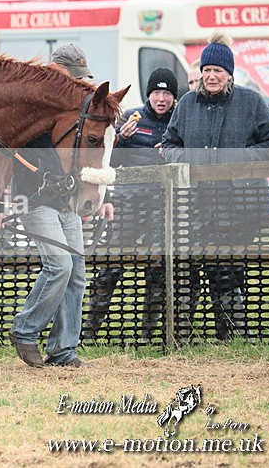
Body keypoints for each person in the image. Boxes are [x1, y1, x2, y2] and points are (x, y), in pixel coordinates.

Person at [162, 30, 269, 340]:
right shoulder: (187, 104)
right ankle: (191, 336)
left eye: (217, 71)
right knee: (199, 271)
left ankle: (232, 335)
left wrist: (238, 161)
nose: (211, 76)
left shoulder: (251, 102)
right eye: (206, 71)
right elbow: (169, 143)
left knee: (229, 270)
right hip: (199, 205)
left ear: (229, 74)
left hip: (241, 207)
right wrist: (188, 160)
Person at [7, 44, 109, 368]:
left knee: (76, 273)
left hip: (66, 201)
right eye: (75, 77)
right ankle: (25, 330)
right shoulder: (32, 103)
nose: (78, 84)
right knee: (60, 266)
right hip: (34, 199)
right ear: (58, 71)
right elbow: (12, 147)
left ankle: (63, 351)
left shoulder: (75, 109)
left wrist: (99, 196)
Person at [83, 67, 181, 341]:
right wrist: (122, 140)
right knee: (110, 270)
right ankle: (89, 333)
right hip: (127, 207)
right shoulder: (130, 119)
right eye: (156, 92)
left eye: (167, 93)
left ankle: (149, 336)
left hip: (161, 208)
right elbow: (106, 163)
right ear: (148, 94)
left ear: (174, 97)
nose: (161, 98)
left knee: (156, 272)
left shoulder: (178, 122)